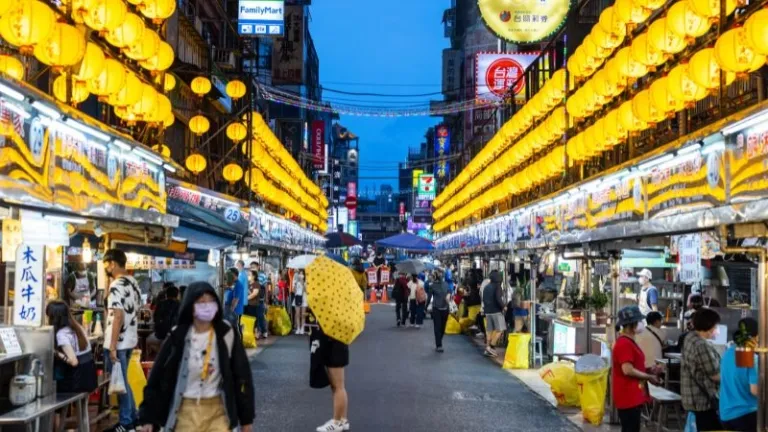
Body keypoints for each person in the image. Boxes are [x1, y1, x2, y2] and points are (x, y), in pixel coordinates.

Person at [137, 282, 254, 432]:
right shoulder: (178, 335)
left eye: (210, 301)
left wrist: (246, 419)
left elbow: (243, 377)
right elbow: (157, 377)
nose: (206, 306)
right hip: (185, 412)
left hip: (219, 412)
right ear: (190, 306)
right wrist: (148, 417)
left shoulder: (226, 333)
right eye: (201, 302)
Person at [102, 249, 141, 432]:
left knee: (120, 383)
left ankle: (126, 422)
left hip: (117, 341)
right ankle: (133, 417)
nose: (105, 268)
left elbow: (117, 315)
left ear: (112, 263)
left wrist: (112, 346)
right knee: (123, 381)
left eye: (106, 264)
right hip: (130, 339)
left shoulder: (117, 285)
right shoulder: (133, 283)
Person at [612, 306, 662, 432]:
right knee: (630, 428)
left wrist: (650, 370)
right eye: (639, 321)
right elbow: (627, 370)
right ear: (631, 324)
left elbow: (634, 366)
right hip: (628, 396)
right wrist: (649, 377)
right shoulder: (624, 343)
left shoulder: (630, 341)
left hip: (633, 395)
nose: (641, 324)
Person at [681, 308, 722, 431]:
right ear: (709, 325)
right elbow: (714, 375)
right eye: (716, 325)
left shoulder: (690, 337)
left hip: (692, 397)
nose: (717, 328)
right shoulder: (701, 345)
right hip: (702, 400)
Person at [47, 300, 98, 393]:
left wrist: (56, 352)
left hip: (78, 382)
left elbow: (74, 362)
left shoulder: (61, 334)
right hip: (90, 378)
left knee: (52, 385)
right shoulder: (77, 327)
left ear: (54, 318)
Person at [719, 317, 759, 431]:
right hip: (745, 415)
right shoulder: (750, 356)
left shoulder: (728, 353)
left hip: (725, 415)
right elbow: (755, 390)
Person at [147, 285, 181, 357]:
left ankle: (158, 355)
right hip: (175, 337)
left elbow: (155, 319)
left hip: (159, 336)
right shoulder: (180, 305)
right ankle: (165, 354)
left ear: (166, 295)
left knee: (147, 340)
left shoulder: (160, 304)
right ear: (177, 295)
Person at [482, 270, 506, 357]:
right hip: (496, 311)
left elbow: (483, 298)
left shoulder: (486, 287)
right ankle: (491, 347)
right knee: (500, 329)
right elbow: (498, 299)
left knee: (489, 330)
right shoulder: (498, 286)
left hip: (488, 311)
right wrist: (504, 306)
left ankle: (487, 348)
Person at [430, 270, 450, 352]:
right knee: (438, 327)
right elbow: (429, 296)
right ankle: (439, 345)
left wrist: (449, 294)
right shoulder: (433, 286)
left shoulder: (445, 284)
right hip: (437, 308)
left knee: (442, 328)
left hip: (444, 308)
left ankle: (439, 341)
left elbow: (449, 291)